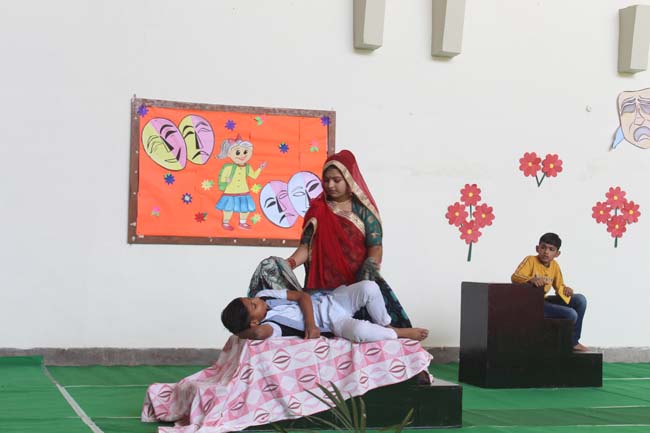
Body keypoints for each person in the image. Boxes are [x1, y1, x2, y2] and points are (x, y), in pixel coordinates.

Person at [284, 150, 411, 328]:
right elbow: (306, 247)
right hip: (321, 288)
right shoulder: (317, 210)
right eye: (326, 180)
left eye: (336, 180)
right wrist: (288, 264)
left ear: (349, 179)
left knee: (367, 330)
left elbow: (375, 246)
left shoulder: (363, 211)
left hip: (356, 283)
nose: (330, 185)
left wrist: (371, 265)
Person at [222, 280, 428, 343]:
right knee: (361, 332)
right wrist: (238, 332)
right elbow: (258, 334)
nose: (256, 300)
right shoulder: (270, 327)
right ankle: (398, 333)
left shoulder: (265, 295)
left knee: (369, 287)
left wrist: (310, 325)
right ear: (253, 322)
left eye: (250, 299)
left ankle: (386, 324)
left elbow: (302, 296)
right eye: (253, 305)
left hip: (331, 300)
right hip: (332, 323)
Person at [511, 233, 589, 352]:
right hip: (531, 304)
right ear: (537, 248)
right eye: (543, 247)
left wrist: (567, 290)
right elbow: (515, 277)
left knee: (580, 300)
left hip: (544, 301)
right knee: (571, 314)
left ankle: (573, 342)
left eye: (551, 249)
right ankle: (558, 344)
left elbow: (559, 288)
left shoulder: (555, 266)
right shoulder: (530, 260)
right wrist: (531, 279)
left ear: (557, 254)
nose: (546, 252)